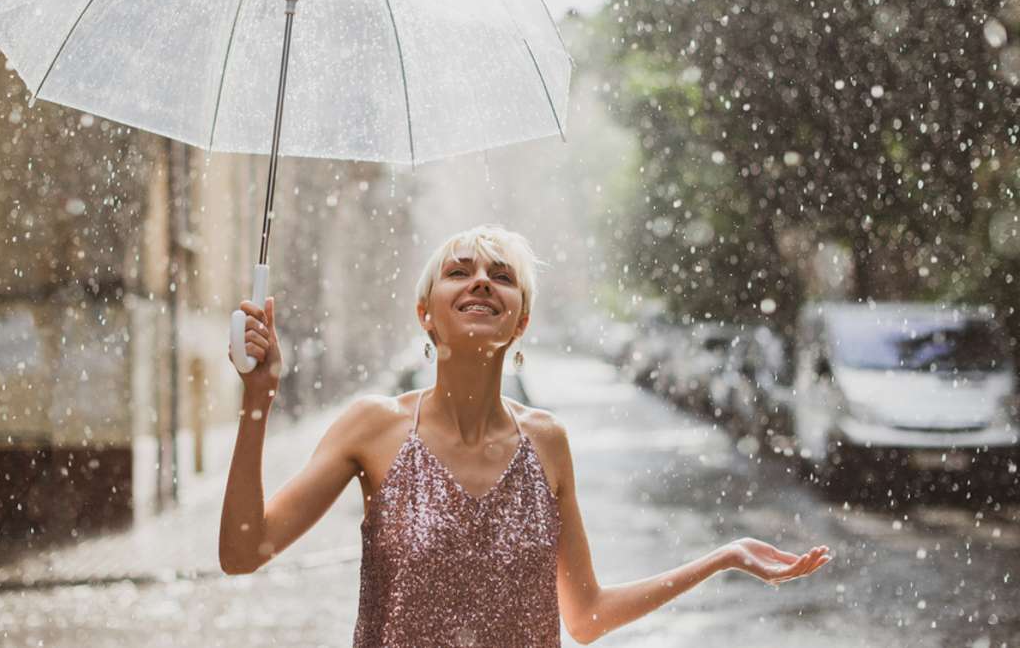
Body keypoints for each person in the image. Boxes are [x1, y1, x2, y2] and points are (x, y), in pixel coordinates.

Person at [219, 224, 831, 646]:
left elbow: (585, 616)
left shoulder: (548, 442)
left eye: (501, 275)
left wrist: (723, 557)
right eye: (459, 272)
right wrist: (258, 399)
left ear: (522, 319)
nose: (482, 280)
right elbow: (244, 552)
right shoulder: (372, 426)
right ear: (425, 313)